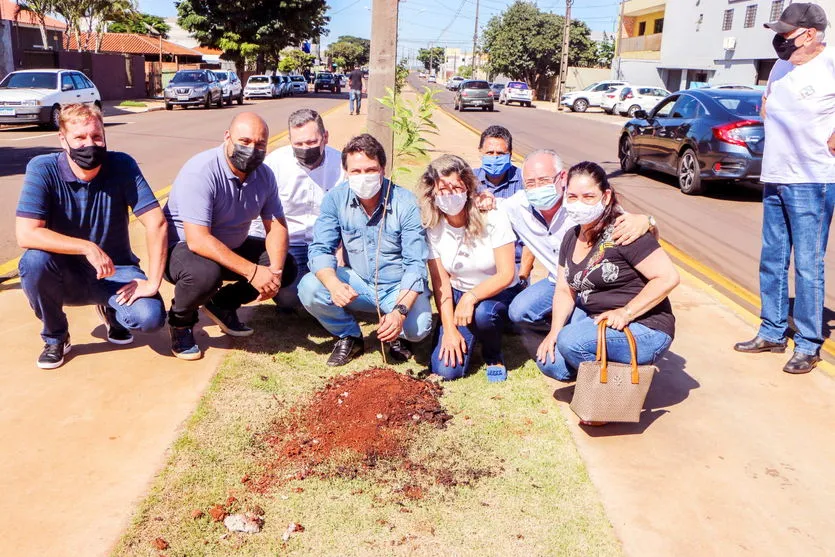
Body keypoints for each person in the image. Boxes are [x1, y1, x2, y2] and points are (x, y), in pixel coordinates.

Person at [15, 103, 166, 369]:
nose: (90, 144)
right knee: (33, 262)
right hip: (64, 274)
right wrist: (86, 247)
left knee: (150, 318)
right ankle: (56, 337)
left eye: (96, 137)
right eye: (80, 138)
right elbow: (26, 234)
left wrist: (153, 282)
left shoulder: (122, 165)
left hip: (115, 272)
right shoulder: (43, 169)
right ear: (63, 139)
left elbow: (157, 222)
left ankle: (113, 312)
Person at [734, 2, 835, 374]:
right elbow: (768, 107)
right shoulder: (780, 66)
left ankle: (808, 344)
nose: (780, 40)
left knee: (808, 265)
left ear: (810, 34)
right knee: (773, 259)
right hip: (775, 176)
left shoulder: (830, 64)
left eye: (786, 33)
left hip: (813, 179)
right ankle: (772, 332)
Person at [163, 112, 297, 360]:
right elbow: (198, 239)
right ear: (227, 137)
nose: (252, 149)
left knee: (286, 264)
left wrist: (273, 274)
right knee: (205, 275)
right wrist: (253, 272)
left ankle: (221, 304)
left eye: (260, 144)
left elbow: (276, 226)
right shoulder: (201, 171)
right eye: (244, 141)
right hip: (182, 249)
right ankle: (181, 322)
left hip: (229, 244)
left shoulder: (264, 176)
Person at [535, 162, 678, 392]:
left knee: (570, 341)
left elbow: (668, 277)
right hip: (602, 323)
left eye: (588, 196)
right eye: (572, 196)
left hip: (645, 327)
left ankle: (613, 391)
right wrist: (553, 331)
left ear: (606, 195)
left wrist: (626, 312)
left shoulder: (625, 231)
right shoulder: (571, 238)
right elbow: (564, 290)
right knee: (550, 362)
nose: (579, 203)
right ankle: (607, 374)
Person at [298, 133, 432, 366]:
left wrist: (400, 311)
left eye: (370, 170)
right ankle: (349, 335)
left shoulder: (406, 203)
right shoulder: (335, 199)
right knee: (309, 287)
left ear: (383, 168)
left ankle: (396, 334)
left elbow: (415, 265)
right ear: (346, 172)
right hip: (357, 282)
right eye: (356, 171)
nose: (363, 177)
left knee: (418, 328)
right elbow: (320, 249)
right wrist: (334, 285)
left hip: (396, 288)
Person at [500, 149, 655, 329]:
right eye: (530, 183)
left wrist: (648, 220)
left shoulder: (581, 204)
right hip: (559, 282)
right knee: (518, 312)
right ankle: (559, 324)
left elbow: (634, 226)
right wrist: (483, 199)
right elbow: (487, 206)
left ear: (562, 177)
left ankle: (577, 328)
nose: (537, 188)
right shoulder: (516, 206)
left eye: (544, 180)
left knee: (578, 332)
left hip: (596, 285)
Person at [419, 155, 520, 381]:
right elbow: (440, 281)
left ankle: (493, 354)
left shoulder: (492, 216)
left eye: (456, 186)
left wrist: (470, 298)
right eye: (442, 188)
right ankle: (462, 329)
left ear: (468, 187)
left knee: (484, 314)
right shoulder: (432, 225)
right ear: (432, 192)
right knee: (446, 370)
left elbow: (506, 274)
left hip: (497, 293)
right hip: (456, 292)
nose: (450, 194)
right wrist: (450, 329)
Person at [249, 108, 345, 308]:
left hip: (329, 244)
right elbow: (259, 216)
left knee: (338, 288)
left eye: (311, 142)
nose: (305, 148)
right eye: (298, 144)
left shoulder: (342, 165)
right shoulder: (274, 164)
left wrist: (341, 250)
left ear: (325, 137)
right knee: (290, 298)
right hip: (290, 245)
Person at [472, 125, 532, 278]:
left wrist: (523, 275)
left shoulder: (525, 183)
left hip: (515, 264)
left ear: (510, 154)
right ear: (480, 152)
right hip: (477, 263)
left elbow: (532, 233)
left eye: (500, 153)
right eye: (489, 153)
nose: (495, 157)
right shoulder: (468, 182)